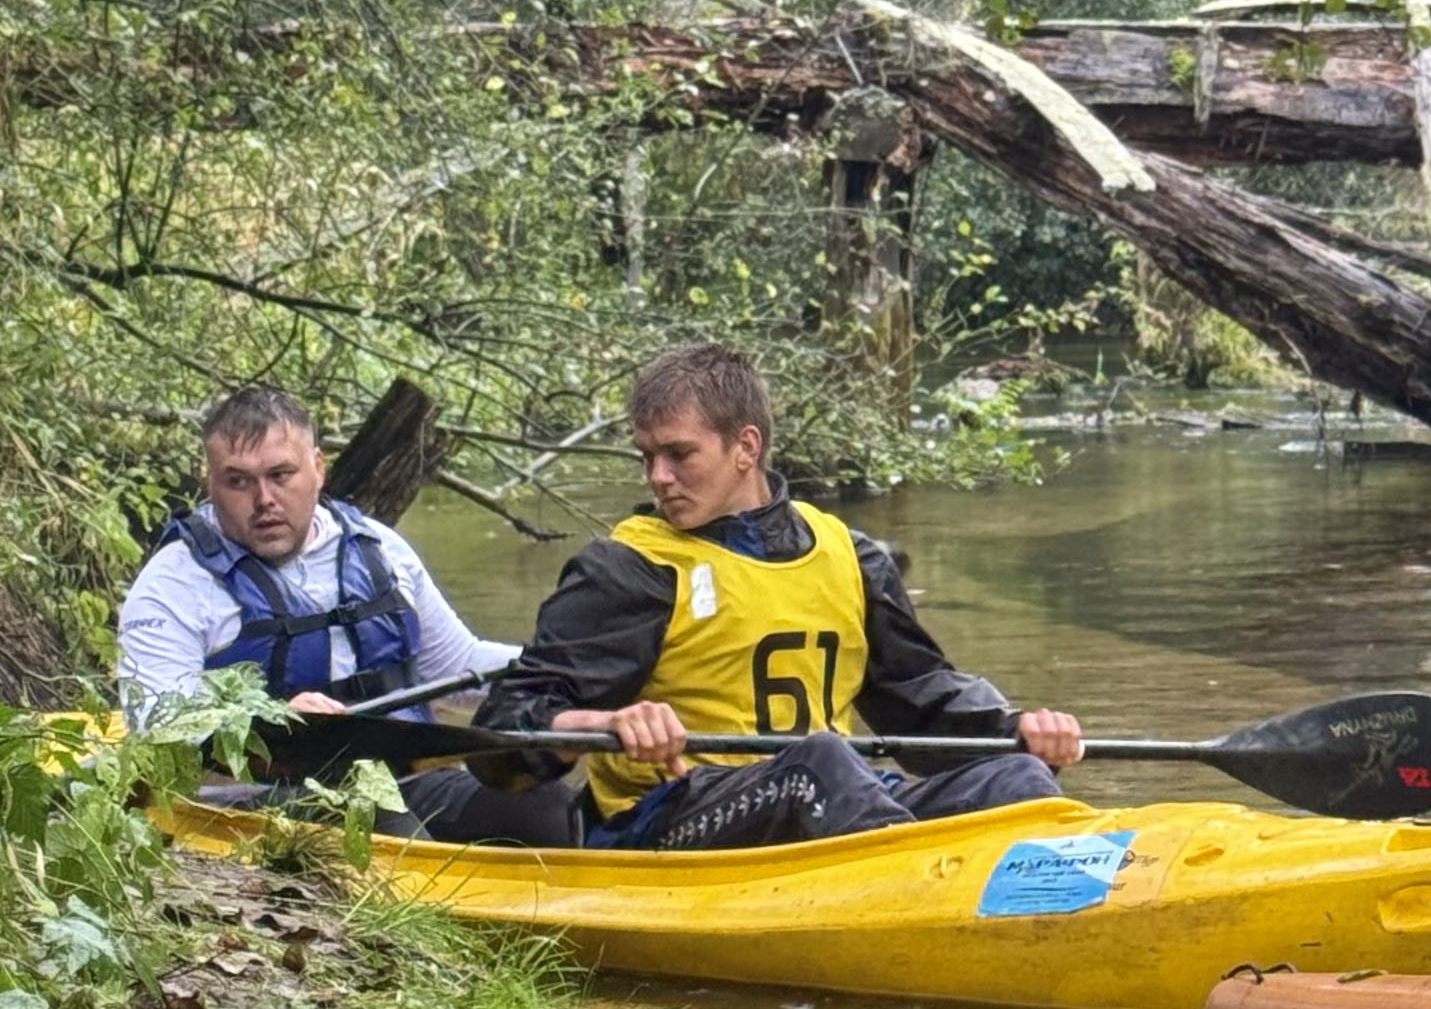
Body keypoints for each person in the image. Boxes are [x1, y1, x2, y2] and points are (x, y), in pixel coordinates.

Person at [483, 340, 1085, 850]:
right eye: (649, 456)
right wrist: (604, 721)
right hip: (664, 823)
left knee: (1015, 780)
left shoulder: (851, 556)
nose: (658, 478)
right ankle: (908, 893)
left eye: (678, 454)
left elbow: (920, 702)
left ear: (746, 447)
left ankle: (1055, 911)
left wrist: (1018, 730)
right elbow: (503, 732)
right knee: (819, 763)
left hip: (828, 807)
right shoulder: (629, 569)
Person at [117, 383, 580, 846]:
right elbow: (156, 726)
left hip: (402, 778)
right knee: (380, 817)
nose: (264, 500)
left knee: (544, 806)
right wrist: (264, 720)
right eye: (238, 481)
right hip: (257, 800)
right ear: (211, 484)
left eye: (281, 475)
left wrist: (572, 681)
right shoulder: (172, 585)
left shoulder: (380, 550)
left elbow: (459, 666)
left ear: (318, 468)